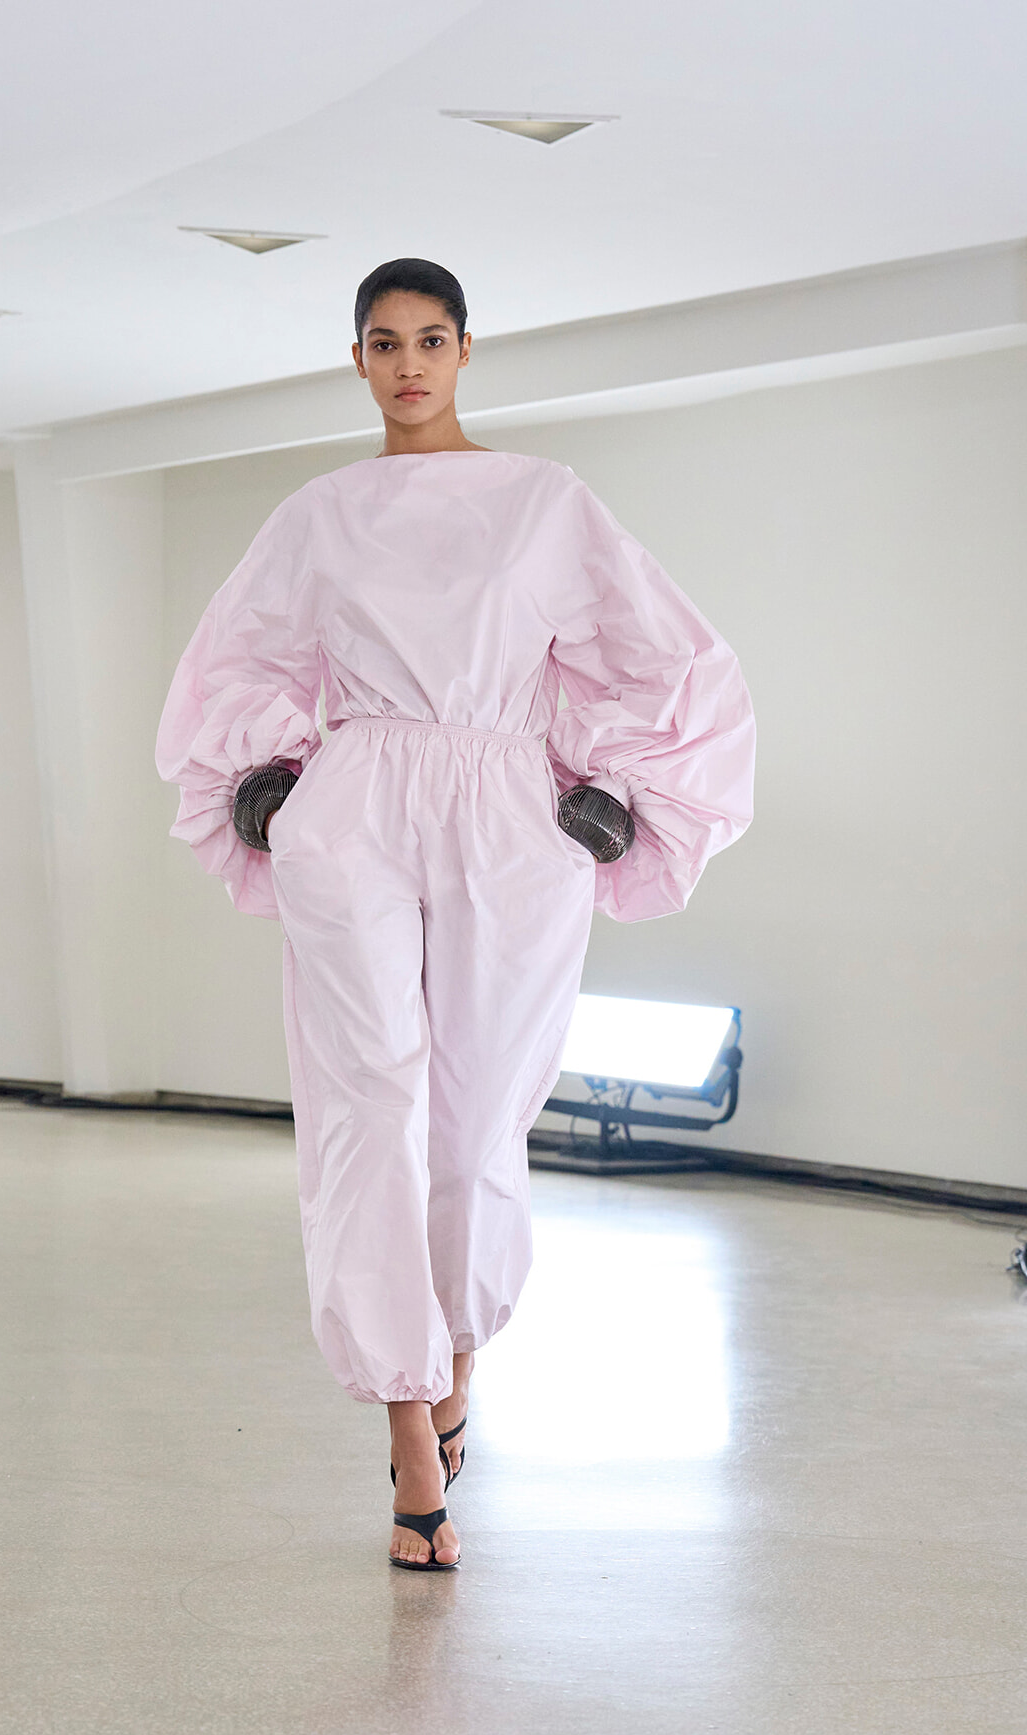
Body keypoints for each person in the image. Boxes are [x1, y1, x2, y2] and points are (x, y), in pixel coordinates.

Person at [156, 257, 755, 1572]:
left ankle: (460, 1356)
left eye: (432, 340)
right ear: (357, 360)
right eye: (385, 343)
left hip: (506, 807)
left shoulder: (544, 500)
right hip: (358, 801)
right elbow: (241, 654)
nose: (409, 365)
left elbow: (662, 651)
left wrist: (611, 788)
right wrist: (266, 779)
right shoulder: (319, 514)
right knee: (368, 1099)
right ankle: (408, 1426)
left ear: (467, 351)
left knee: (480, 1111)